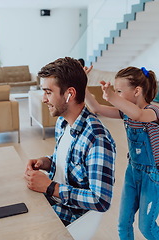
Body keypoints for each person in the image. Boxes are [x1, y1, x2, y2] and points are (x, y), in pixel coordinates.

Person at [24, 57, 116, 226]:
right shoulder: (63, 122)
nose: (44, 99)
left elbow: (101, 201)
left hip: (72, 215)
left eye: (48, 92)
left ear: (69, 94)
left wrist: (50, 187)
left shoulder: (97, 139)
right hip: (54, 200)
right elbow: (69, 164)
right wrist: (46, 162)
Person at [85, 66, 159, 240]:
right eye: (116, 91)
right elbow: (96, 108)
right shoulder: (125, 114)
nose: (116, 94)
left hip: (153, 178)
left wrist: (112, 96)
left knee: (147, 227)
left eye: (119, 91)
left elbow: (138, 115)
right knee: (123, 224)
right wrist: (82, 82)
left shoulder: (154, 112)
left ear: (137, 91)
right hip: (133, 172)